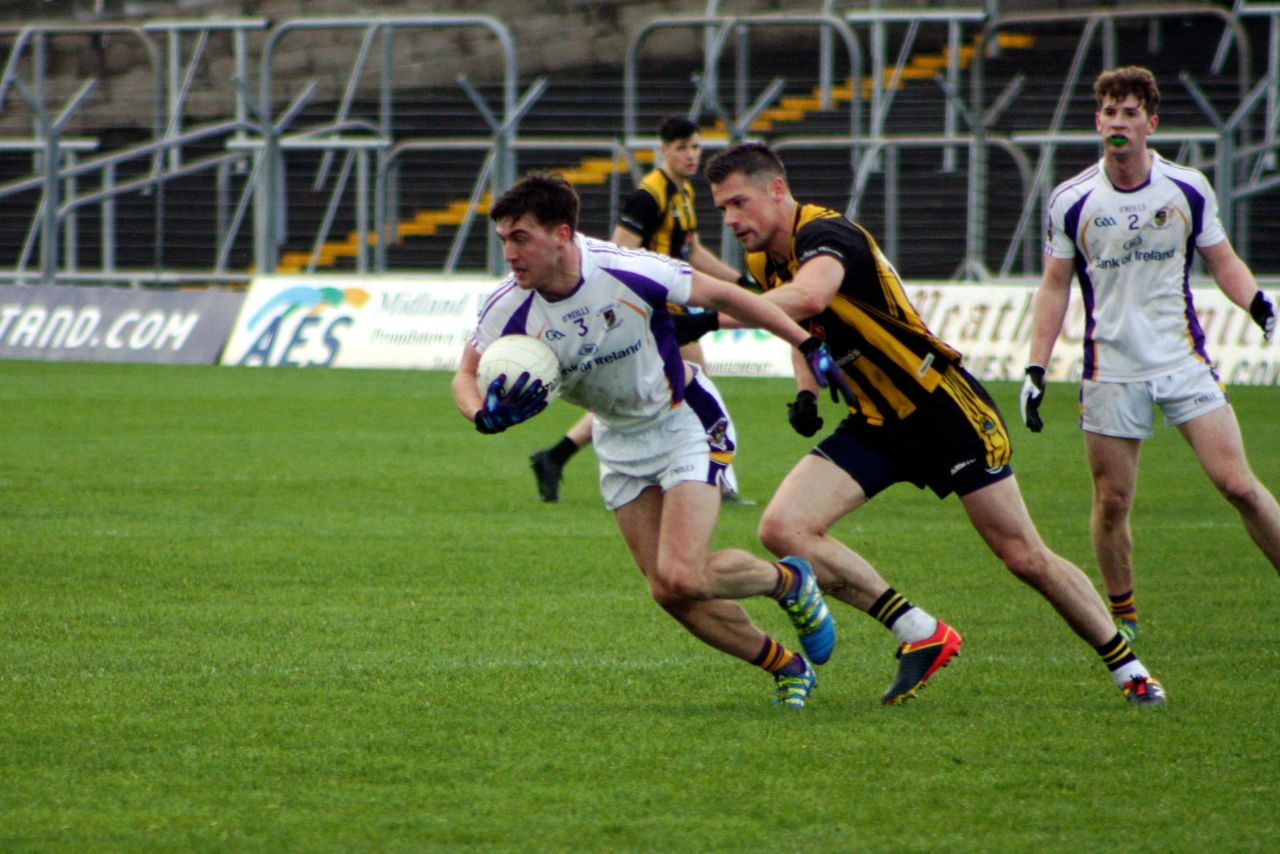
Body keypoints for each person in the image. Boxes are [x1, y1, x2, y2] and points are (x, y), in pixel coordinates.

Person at [702, 142, 1167, 705]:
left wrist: (707, 320)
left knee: (1024, 555)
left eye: (738, 203)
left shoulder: (827, 234)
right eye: (722, 208)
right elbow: (797, 320)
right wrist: (805, 386)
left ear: (777, 190)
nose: (730, 220)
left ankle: (1131, 670)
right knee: (782, 528)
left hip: (943, 410)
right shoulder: (762, 260)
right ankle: (919, 631)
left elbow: (810, 294)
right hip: (876, 421)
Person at [452, 171, 850, 709]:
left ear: (562, 235)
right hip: (617, 438)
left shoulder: (625, 269)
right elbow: (465, 375)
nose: (510, 254)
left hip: (683, 418)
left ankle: (789, 581)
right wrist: (482, 415)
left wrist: (806, 341)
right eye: (503, 240)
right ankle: (786, 666)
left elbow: (728, 294)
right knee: (668, 591)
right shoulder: (507, 306)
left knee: (684, 570)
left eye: (520, 238)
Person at [1021, 65, 1280, 642]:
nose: (1118, 123)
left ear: (1150, 123)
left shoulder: (1186, 187)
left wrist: (1257, 302)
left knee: (1237, 483)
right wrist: (1036, 366)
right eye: (1109, 112)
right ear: (1097, 121)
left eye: (1130, 113)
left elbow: (1223, 260)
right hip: (1108, 370)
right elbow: (1055, 286)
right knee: (1112, 502)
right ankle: (1125, 617)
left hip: (1181, 360)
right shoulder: (1072, 199)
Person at [529, 115, 753, 504]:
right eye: (681, 148)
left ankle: (555, 455)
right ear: (662, 151)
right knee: (681, 384)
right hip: (651, 312)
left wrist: (740, 283)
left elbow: (694, 253)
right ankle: (712, 477)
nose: (690, 155)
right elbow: (620, 251)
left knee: (664, 387)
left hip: (672, 309)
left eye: (695, 147)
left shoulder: (682, 194)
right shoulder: (648, 197)